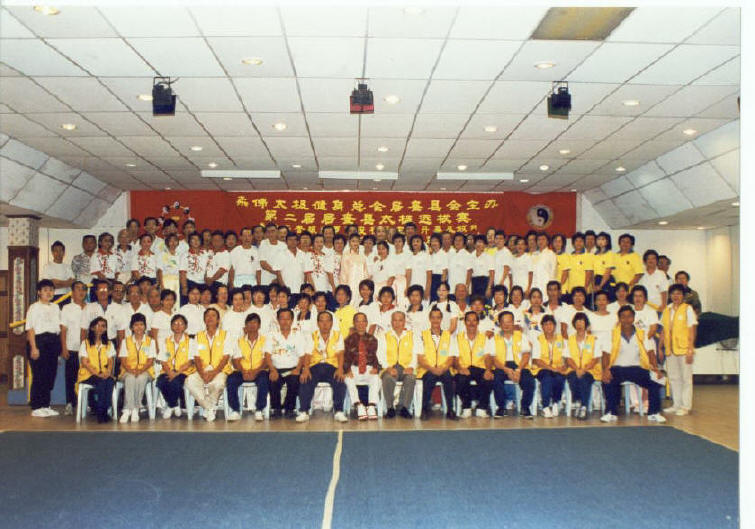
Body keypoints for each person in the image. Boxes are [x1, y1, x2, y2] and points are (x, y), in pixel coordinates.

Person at [600, 306, 666, 423]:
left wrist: (656, 369)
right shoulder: (611, 334)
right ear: (619, 318)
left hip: (637, 368)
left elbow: (650, 353)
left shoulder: (642, 334)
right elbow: (606, 354)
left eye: (629, 316)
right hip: (617, 368)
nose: (626, 320)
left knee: (656, 380)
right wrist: (605, 370)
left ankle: (654, 413)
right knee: (607, 380)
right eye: (623, 317)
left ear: (634, 318)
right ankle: (611, 412)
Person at [297, 311, 348, 423]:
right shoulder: (312, 335)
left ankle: (339, 411)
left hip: (332, 366)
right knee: (305, 379)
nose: (325, 324)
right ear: (318, 323)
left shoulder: (337, 335)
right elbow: (307, 354)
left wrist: (340, 369)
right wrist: (306, 369)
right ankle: (304, 411)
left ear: (331, 323)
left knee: (340, 381)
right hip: (315, 366)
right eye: (322, 321)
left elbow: (340, 354)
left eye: (327, 321)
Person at [185, 308, 232, 422]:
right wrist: (202, 374)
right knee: (189, 381)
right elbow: (196, 357)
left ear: (218, 320)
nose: (210, 318)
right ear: (204, 320)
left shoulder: (225, 335)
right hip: (202, 369)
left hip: (219, 370)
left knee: (219, 384)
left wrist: (214, 372)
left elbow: (226, 357)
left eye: (213, 316)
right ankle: (209, 407)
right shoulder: (198, 336)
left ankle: (208, 407)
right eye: (207, 316)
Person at [25, 279, 62, 417]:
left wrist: (58, 350)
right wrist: (34, 348)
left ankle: (46, 405)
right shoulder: (34, 307)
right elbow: (30, 329)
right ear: (39, 292)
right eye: (45, 290)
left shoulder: (56, 307)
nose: (49, 292)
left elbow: (58, 328)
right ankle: (36, 407)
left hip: (53, 342)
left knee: (50, 375)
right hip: (39, 342)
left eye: (51, 290)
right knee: (39, 375)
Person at [660, 284, 698, 416]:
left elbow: (692, 329)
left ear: (683, 296)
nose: (675, 296)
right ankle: (676, 404)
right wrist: (660, 347)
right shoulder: (667, 310)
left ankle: (686, 406)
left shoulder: (687, 309)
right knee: (674, 378)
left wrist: (690, 349)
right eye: (673, 293)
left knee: (686, 378)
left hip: (684, 349)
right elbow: (664, 331)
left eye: (678, 293)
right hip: (670, 350)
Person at [491, 311, 536, 419]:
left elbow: (526, 355)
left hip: (519, 365)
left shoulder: (521, 336)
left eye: (509, 322)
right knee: (496, 379)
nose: (506, 325)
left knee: (530, 381)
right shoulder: (494, 338)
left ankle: (525, 407)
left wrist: (518, 370)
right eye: (504, 322)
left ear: (513, 322)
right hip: (502, 366)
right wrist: (506, 369)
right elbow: (493, 359)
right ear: (499, 324)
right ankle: (501, 407)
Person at [226, 313, 270, 422]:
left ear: (259, 325)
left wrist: (256, 371)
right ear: (245, 325)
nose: (252, 325)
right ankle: (235, 410)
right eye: (249, 322)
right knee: (231, 379)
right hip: (242, 370)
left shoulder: (266, 340)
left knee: (264, 379)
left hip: (260, 370)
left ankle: (259, 410)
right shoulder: (239, 341)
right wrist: (243, 371)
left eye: (255, 322)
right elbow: (235, 360)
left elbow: (266, 360)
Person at [264, 308, 306, 419]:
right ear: (278, 320)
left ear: (292, 320)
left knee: (294, 380)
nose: (285, 321)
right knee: (272, 380)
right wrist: (272, 370)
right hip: (276, 368)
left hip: (293, 368)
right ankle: (276, 408)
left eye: (288, 318)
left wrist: (297, 369)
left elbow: (302, 355)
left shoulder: (298, 335)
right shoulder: (272, 335)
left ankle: (289, 409)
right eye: (282, 318)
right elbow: (267, 355)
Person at [416, 307, 457, 420]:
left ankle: (450, 410)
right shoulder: (422, 335)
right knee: (430, 377)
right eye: (433, 317)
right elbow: (420, 358)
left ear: (441, 319)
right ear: (429, 319)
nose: (435, 320)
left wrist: (443, 368)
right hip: (427, 369)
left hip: (444, 369)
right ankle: (425, 409)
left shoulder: (448, 335)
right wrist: (432, 368)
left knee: (448, 377)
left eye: (438, 318)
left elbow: (451, 357)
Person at [453, 311, 494, 418]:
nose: (471, 323)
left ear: (478, 322)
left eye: (474, 320)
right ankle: (466, 407)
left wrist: (488, 370)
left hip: (480, 367)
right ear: (464, 322)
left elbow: (488, 356)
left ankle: (482, 408)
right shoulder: (457, 338)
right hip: (463, 367)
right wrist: (460, 368)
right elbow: (454, 358)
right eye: (469, 320)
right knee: (461, 379)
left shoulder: (484, 337)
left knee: (488, 378)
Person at [156, 314, 196, 419]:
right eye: (175, 323)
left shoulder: (191, 341)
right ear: (171, 326)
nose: (178, 326)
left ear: (185, 326)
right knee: (160, 382)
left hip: (184, 372)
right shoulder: (166, 341)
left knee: (175, 382)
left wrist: (176, 373)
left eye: (181, 324)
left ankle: (170, 406)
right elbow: (163, 360)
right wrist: (169, 372)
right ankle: (174, 405)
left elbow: (191, 361)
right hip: (168, 371)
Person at [378, 311, 417, 419]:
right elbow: (380, 354)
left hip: (406, 367)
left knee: (411, 378)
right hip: (390, 367)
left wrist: (411, 366)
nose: (397, 323)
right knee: (387, 378)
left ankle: (404, 408)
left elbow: (416, 353)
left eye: (400, 320)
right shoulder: (384, 335)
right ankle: (390, 408)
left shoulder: (412, 335)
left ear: (404, 322)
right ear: (391, 322)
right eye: (395, 320)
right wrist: (388, 367)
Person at [77, 317, 117, 423]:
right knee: (102, 382)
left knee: (110, 381)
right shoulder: (85, 343)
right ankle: (101, 412)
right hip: (88, 374)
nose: (100, 328)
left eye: (103, 326)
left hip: (104, 374)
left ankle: (104, 410)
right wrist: (98, 373)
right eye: (98, 325)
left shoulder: (109, 344)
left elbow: (110, 361)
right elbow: (85, 363)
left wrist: (108, 372)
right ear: (92, 328)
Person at [118, 313, 156, 423]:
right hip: (127, 370)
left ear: (145, 326)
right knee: (130, 378)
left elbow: (150, 361)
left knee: (141, 378)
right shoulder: (126, 341)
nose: (139, 327)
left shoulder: (151, 341)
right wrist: (131, 370)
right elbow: (123, 360)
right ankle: (131, 408)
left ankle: (132, 409)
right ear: (131, 327)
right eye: (136, 325)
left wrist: (140, 370)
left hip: (145, 371)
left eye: (141, 324)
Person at [343, 312, 381, 420]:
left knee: (376, 379)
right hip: (354, 368)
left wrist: (376, 367)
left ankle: (371, 406)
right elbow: (345, 357)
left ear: (366, 323)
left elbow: (375, 356)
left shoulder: (373, 339)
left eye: (363, 321)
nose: (361, 324)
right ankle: (358, 405)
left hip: (368, 368)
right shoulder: (348, 340)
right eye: (358, 321)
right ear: (354, 323)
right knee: (348, 379)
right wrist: (347, 369)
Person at [565, 313, 603, 419]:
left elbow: (595, 359)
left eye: (582, 321)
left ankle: (583, 406)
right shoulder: (570, 340)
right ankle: (578, 402)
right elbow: (568, 359)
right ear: (574, 324)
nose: (579, 324)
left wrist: (584, 369)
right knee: (573, 378)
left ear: (586, 324)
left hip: (590, 370)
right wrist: (577, 369)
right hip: (573, 369)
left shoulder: (593, 339)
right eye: (577, 321)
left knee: (584, 379)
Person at [531, 314, 569, 418]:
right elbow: (536, 360)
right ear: (542, 327)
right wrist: (552, 368)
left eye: (551, 324)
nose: (548, 326)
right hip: (542, 368)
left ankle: (556, 402)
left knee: (559, 377)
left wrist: (564, 366)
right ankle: (545, 406)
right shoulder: (538, 340)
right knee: (547, 377)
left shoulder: (561, 339)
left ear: (555, 326)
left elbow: (567, 356)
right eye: (546, 324)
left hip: (558, 368)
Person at [60, 280, 87, 415]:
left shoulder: (90, 307)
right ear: (72, 292)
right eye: (78, 289)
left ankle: (86, 404)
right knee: (70, 377)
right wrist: (64, 348)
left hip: (87, 350)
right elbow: (63, 330)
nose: (81, 291)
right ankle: (70, 403)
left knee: (86, 376)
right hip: (71, 347)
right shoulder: (67, 308)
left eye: (83, 289)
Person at [179, 231, 208, 306]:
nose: (196, 241)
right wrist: (184, 287)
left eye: (198, 239)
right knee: (187, 306)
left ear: (201, 242)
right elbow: (182, 272)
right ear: (189, 241)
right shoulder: (185, 255)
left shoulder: (205, 254)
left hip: (202, 284)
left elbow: (207, 270)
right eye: (193, 239)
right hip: (190, 283)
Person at [340, 233, 368, 307]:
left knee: (361, 302)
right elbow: (343, 273)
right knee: (351, 302)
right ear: (349, 243)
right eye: (353, 241)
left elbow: (365, 271)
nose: (355, 243)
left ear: (359, 242)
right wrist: (344, 288)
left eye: (357, 241)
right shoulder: (346, 255)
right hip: (350, 283)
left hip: (361, 284)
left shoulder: (362, 256)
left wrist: (366, 284)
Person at [157, 234, 182, 306]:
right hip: (166, 281)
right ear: (167, 242)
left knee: (176, 302)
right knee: (166, 301)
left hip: (177, 282)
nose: (173, 243)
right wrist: (162, 285)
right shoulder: (162, 254)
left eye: (175, 240)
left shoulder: (180, 255)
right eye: (171, 241)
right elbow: (159, 270)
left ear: (178, 242)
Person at [151, 289, 177, 356]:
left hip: (174, 346)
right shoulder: (157, 315)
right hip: (162, 347)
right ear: (162, 301)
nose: (169, 302)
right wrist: (156, 349)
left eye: (171, 299)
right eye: (167, 300)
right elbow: (154, 336)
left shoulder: (176, 315)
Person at [592, 232, 616, 304]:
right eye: (599, 239)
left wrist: (600, 286)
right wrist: (593, 285)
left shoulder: (610, 254)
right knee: (597, 303)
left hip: (606, 280)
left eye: (603, 239)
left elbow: (607, 272)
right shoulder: (594, 255)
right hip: (596, 280)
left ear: (607, 241)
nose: (600, 241)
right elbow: (592, 272)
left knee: (607, 303)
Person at [407, 234, 432, 301]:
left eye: (418, 241)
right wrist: (407, 288)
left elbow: (429, 276)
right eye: (414, 241)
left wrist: (427, 290)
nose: (415, 243)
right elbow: (408, 275)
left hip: (423, 288)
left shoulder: (426, 256)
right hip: (412, 288)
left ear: (422, 243)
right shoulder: (409, 257)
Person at [469, 235, 494, 300]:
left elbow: (492, 274)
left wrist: (489, 288)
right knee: (474, 302)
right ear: (474, 244)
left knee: (485, 303)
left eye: (481, 242)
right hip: (474, 283)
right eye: (477, 242)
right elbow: (469, 273)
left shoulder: (489, 257)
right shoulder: (470, 256)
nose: (479, 244)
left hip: (485, 282)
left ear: (485, 245)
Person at [428, 233, 448, 303]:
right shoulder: (431, 255)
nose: (434, 243)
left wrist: (441, 287)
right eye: (432, 241)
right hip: (431, 280)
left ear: (440, 243)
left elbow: (445, 272)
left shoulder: (443, 254)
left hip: (439, 280)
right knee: (432, 301)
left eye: (436, 241)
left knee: (439, 300)